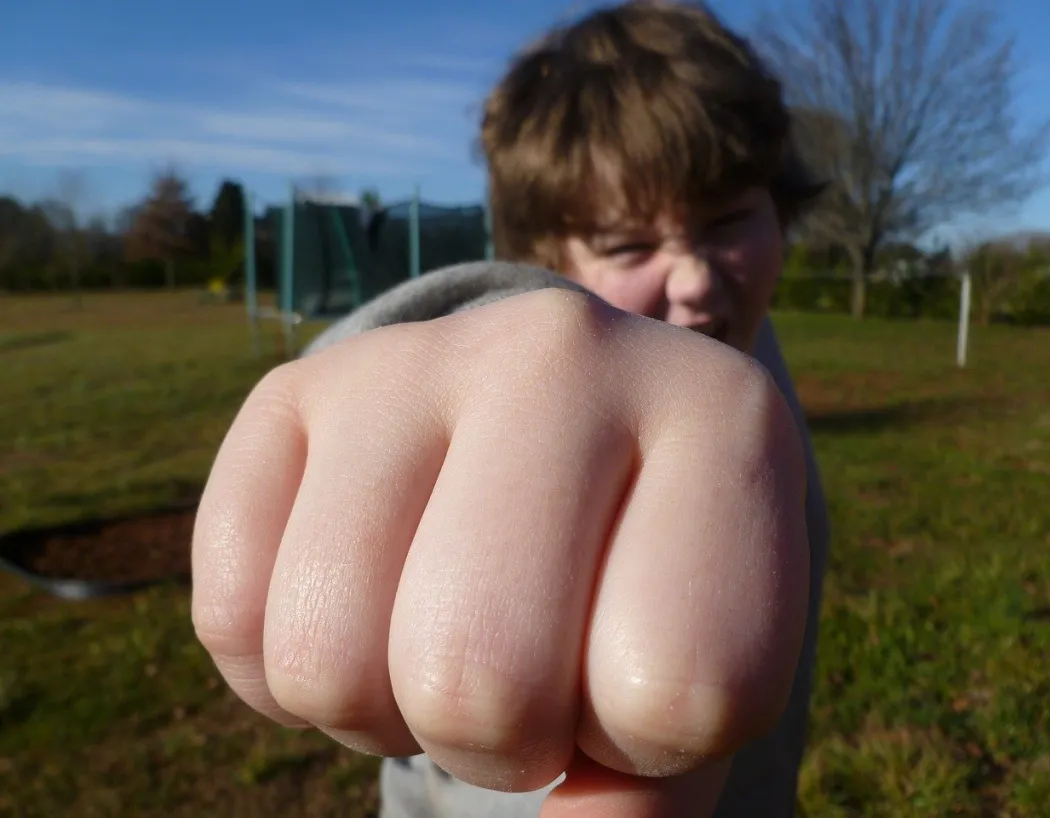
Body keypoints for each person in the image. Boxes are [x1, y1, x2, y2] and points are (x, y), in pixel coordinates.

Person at [191, 2, 830, 817]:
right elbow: (524, 335)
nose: (697, 278)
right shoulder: (569, 311)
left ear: (779, 209)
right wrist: (422, 357)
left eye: (730, 219)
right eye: (630, 246)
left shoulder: (743, 343)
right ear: (551, 258)